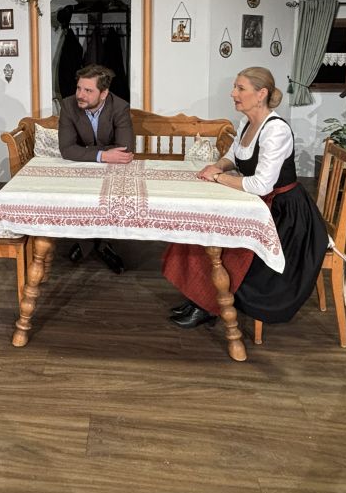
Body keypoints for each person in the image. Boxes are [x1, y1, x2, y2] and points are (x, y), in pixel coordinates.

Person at [161, 66, 328, 329]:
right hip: (261, 205)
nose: (233, 93)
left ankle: (210, 305)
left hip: (286, 216)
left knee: (224, 242)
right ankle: (201, 299)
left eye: (240, 88)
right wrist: (217, 166)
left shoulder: (276, 130)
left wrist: (218, 178)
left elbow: (261, 184)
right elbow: (234, 155)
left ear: (261, 94)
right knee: (202, 229)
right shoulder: (247, 122)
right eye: (235, 87)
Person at [58, 63, 134, 274]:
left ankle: (88, 244)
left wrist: (86, 151)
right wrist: (103, 155)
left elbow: (125, 150)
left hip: (112, 171)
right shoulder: (68, 105)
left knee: (110, 199)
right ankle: (102, 246)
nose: (80, 95)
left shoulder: (119, 107)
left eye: (88, 90)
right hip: (81, 169)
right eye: (79, 88)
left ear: (104, 94)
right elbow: (66, 149)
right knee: (81, 197)